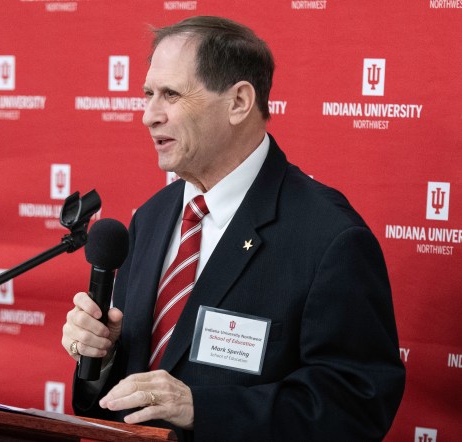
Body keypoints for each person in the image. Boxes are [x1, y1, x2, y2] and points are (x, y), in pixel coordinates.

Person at [62, 16, 405, 441]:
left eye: (170, 94)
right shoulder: (149, 218)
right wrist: (105, 357)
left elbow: (358, 403)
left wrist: (202, 409)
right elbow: (125, 396)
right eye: (148, 94)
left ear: (239, 101)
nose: (148, 115)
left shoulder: (330, 237)